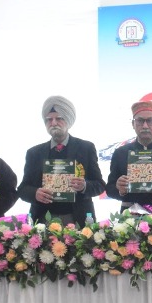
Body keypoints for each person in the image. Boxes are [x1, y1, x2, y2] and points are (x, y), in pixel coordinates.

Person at [17, 96, 105, 226]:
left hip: (78, 220)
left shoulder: (86, 148)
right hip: (43, 220)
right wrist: (35, 193)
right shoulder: (34, 153)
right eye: (49, 119)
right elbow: (23, 189)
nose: (53, 123)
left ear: (68, 120)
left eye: (59, 118)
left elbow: (100, 185)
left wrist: (84, 186)